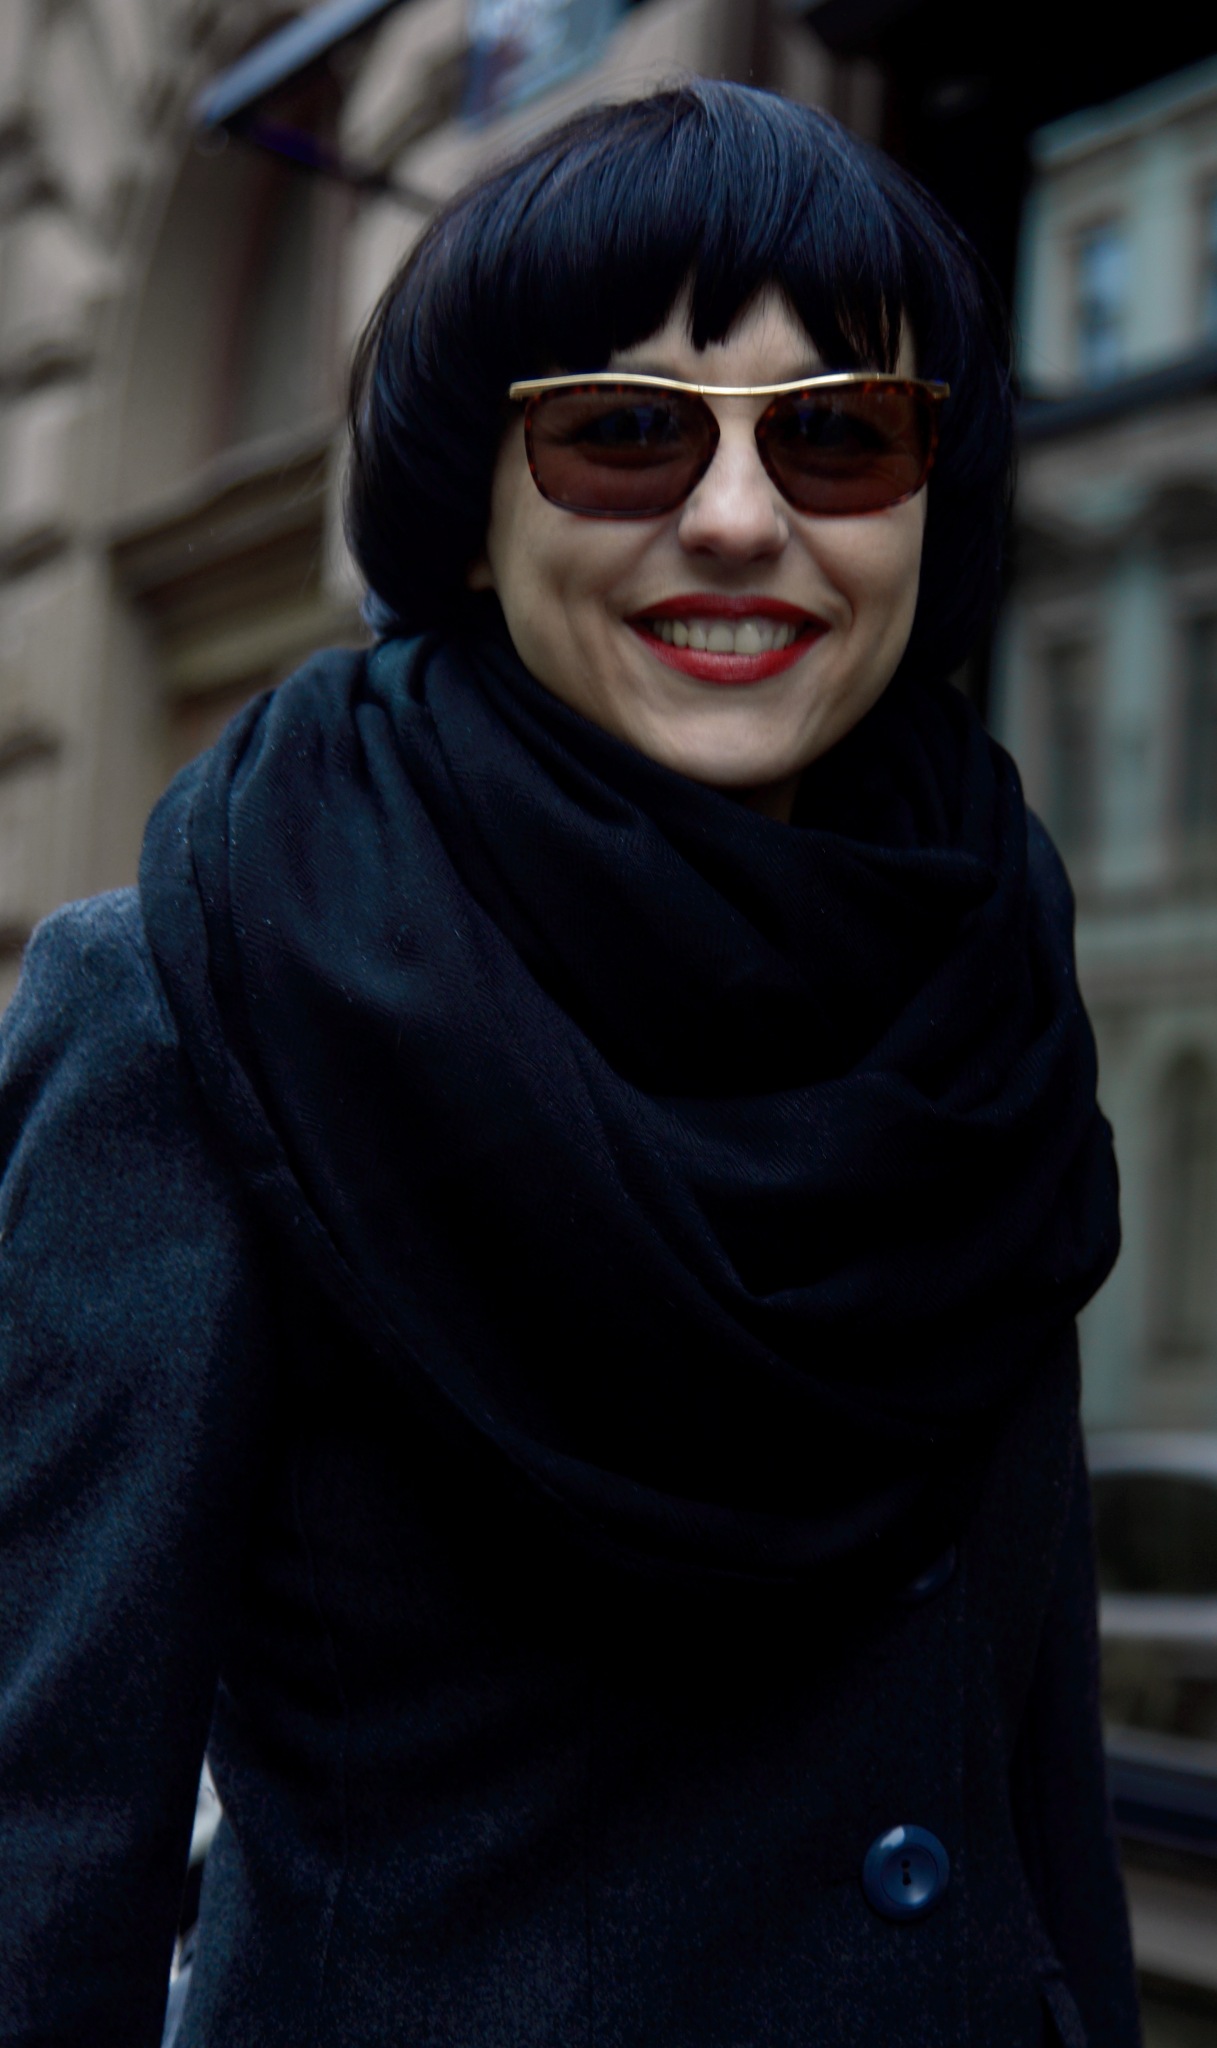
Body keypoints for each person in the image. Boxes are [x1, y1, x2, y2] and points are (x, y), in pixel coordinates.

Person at [0, 78, 1139, 2048]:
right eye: (621, 432)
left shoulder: (981, 978)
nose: (738, 520)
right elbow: (36, 1864)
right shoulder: (199, 992)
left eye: (838, 435)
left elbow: (1039, 1799)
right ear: (473, 507)